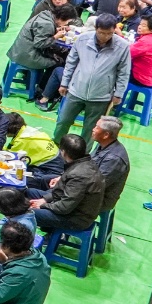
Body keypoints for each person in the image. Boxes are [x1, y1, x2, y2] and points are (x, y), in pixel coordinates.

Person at [55, 13, 130, 143]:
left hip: (100, 96)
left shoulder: (122, 46)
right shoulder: (83, 40)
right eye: (101, 32)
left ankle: (82, 156)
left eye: (109, 33)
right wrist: (64, 83)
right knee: (63, 121)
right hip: (76, 90)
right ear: (96, 28)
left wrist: (119, 93)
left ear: (114, 30)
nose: (105, 36)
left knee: (91, 130)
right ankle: (56, 145)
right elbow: (71, 63)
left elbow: (123, 72)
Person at [29, 133, 105, 235]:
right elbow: (64, 193)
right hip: (70, 207)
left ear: (63, 152)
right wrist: (45, 199)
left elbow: (64, 207)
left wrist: (43, 205)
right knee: (30, 192)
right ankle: (47, 229)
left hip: (75, 218)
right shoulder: (85, 162)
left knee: (26, 212)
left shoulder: (79, 176)